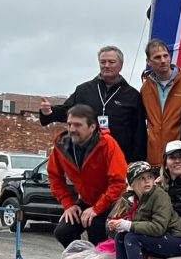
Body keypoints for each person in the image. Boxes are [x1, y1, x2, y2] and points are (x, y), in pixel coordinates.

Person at [40, 46, 146, 162]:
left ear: (121, 65)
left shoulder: (132, 95)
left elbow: (139, 132)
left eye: (111, 62)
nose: (106, 65)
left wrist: (136, 161)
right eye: (103, 62)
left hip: (119, 158)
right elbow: (67, 111)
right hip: (87, 157)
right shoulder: (83, 90)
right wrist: (49, 112)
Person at [47, 104, 128, 248]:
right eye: (69, 124)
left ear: (92, 127)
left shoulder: (107, 144)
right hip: (86, 200)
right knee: (63, 232)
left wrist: (97, 209)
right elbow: (54, 176)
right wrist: (68, 205)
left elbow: (118, 182)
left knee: (96, 228)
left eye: (78, 125)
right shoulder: (61, 145)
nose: (72, 129)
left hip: (111, 201)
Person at [140, 39, 181, 166]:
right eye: (157, 57)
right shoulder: (145, 88)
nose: (163, 60)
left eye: (165, 56)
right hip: (154, 158)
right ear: (148, 61)